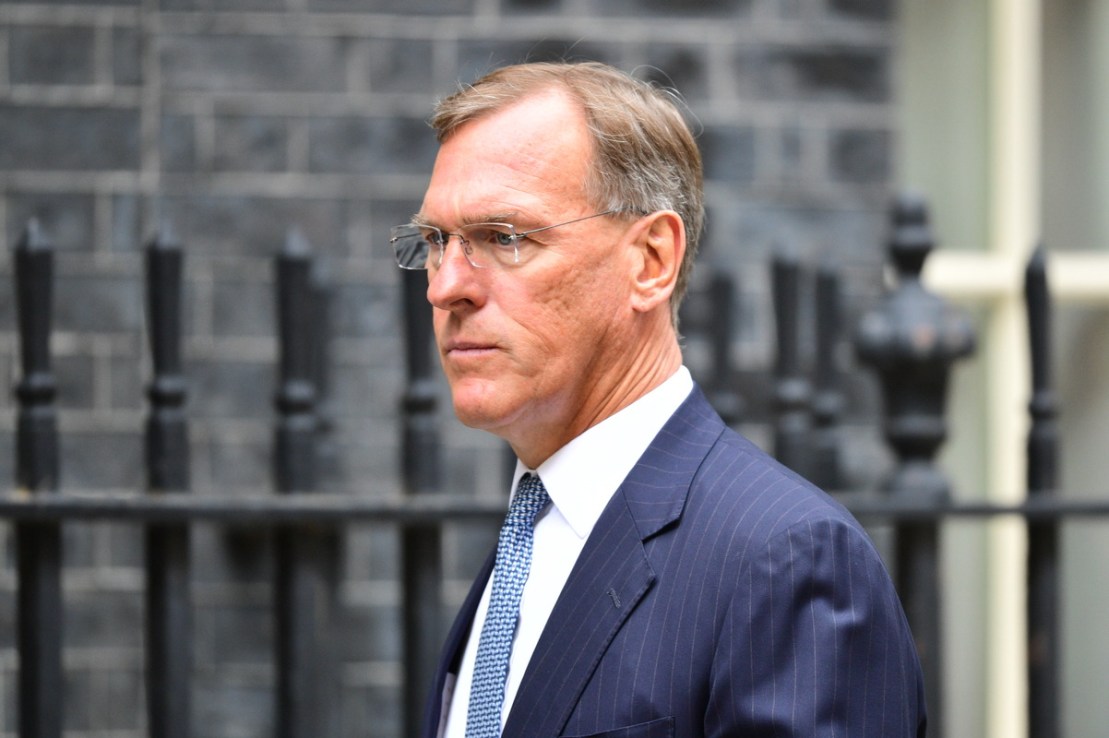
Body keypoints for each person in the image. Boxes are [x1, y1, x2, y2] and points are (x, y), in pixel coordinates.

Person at [391, 60, 927, 738]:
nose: (446, 287)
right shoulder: (530, 535)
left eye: (505, 238)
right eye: (437, 242)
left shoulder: (787, 560)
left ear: (649, 260)